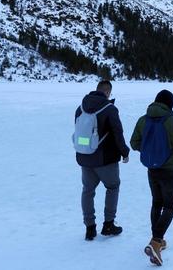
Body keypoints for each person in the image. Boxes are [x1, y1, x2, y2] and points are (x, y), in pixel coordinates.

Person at [131, 90, 173, 267]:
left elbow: (134, 143)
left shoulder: (144, 119)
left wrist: (151, 150)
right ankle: (157, 241)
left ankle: (157, 240)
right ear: (170, 104)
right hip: (170, 170)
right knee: (170, 206)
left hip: (152, 169)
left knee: (157, 203)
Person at [74, 80, 130, 241]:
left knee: (88, 190)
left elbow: (80, 135)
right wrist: (124, 152)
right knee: (112, 187)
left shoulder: (81, 108)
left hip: (85, 157)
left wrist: (88, 149)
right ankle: (108, 224)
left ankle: (90, 227)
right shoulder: (110, 109)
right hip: (106, 159)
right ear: (107, 92)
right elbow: (117, 133)